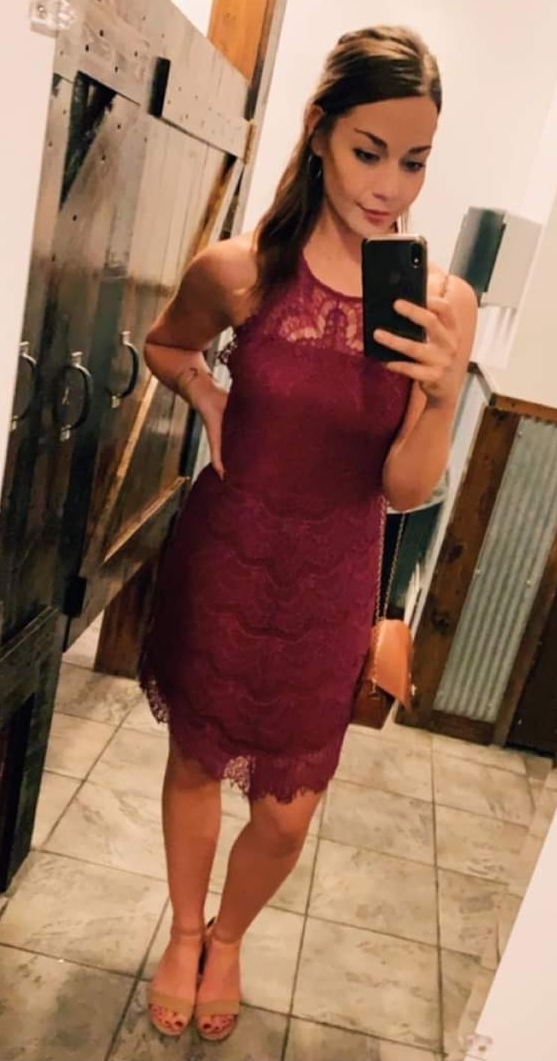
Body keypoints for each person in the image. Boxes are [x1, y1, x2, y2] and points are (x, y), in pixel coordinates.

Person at [140, 24, 477, 1042]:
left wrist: (439, 395)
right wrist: (206, 396)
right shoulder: (239, 269)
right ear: (320, 131)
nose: (389, 185)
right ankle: (186, 931)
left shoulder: (439, 302)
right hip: (228, 551)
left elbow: (405, 489)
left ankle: (230, 933)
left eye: (413, 160)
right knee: (196, 760)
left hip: (332, 574)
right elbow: (164, 343)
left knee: (287, 810)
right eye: (369, 151)